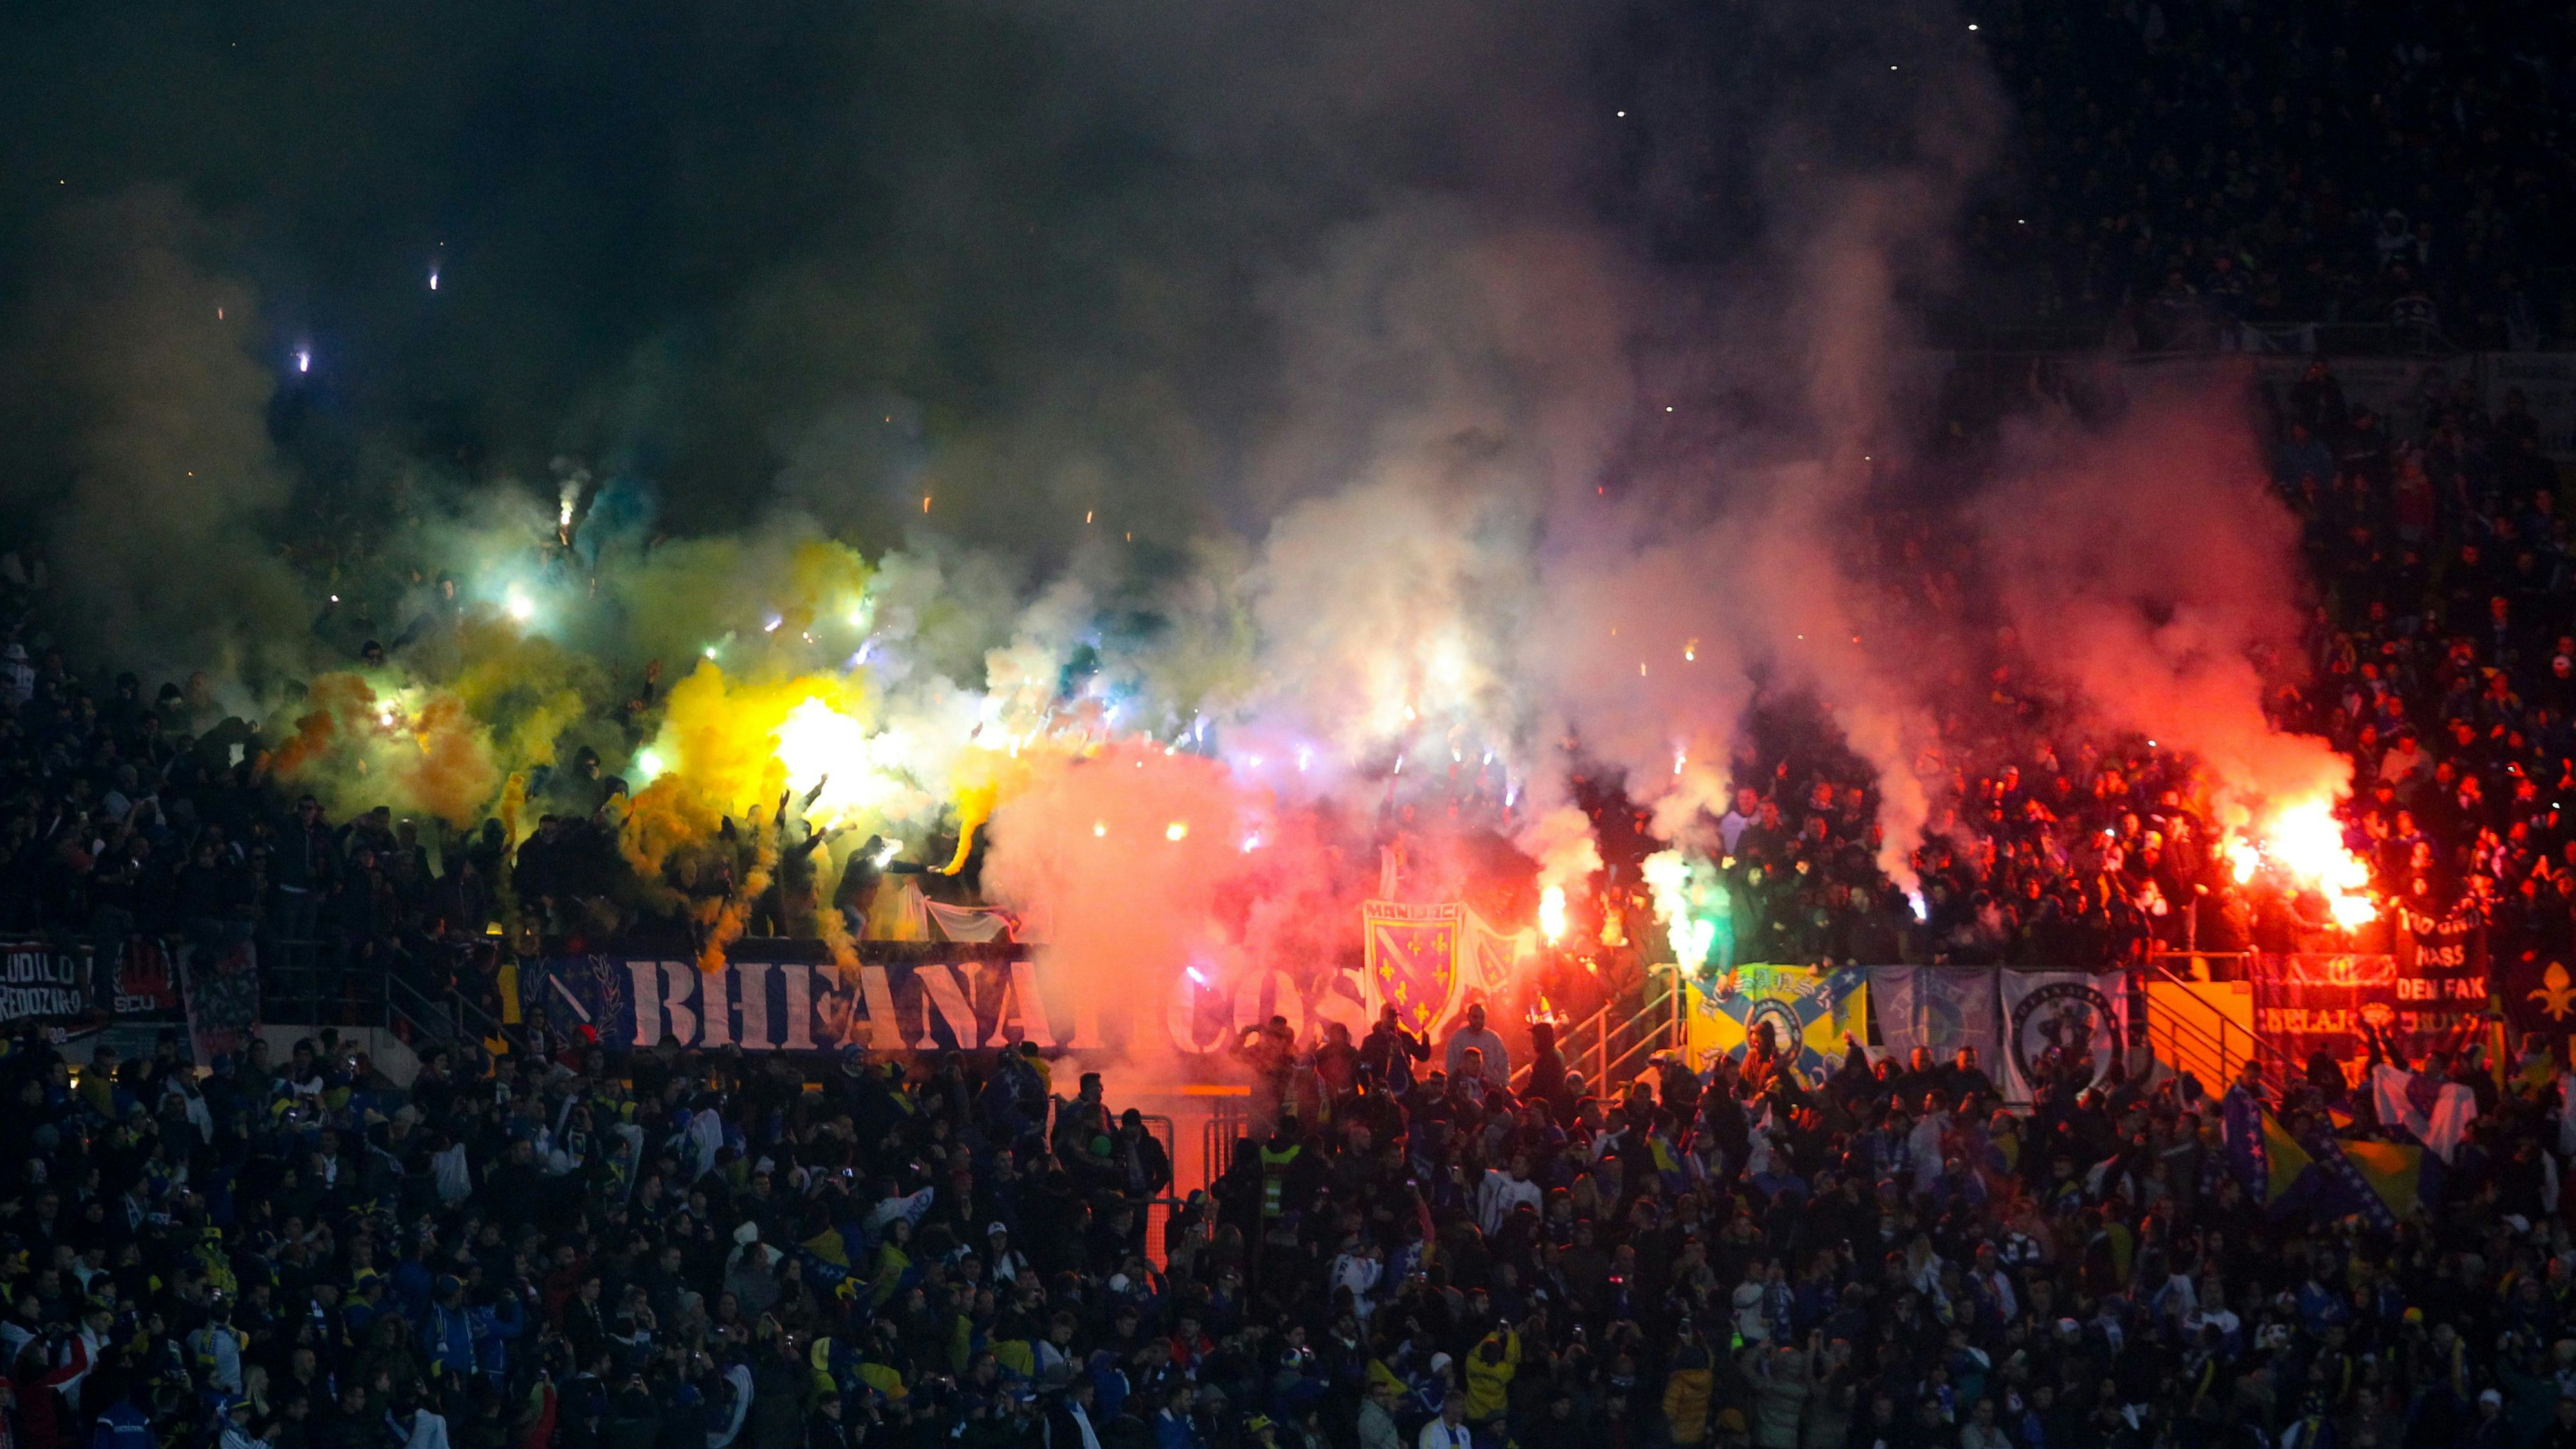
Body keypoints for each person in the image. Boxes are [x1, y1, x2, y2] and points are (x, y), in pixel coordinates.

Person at [1443, 1003, 1510, 1090]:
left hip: (1491, 1089)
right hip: (1465, 1090)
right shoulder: (1458, 1038)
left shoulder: (1493, 1038)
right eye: (1475, 1017)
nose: (1479, 1021)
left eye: (1482, 1018)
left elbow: (1504, 1064)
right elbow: (1450, 1066)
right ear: (1468, 1017)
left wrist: (1504, 1084)